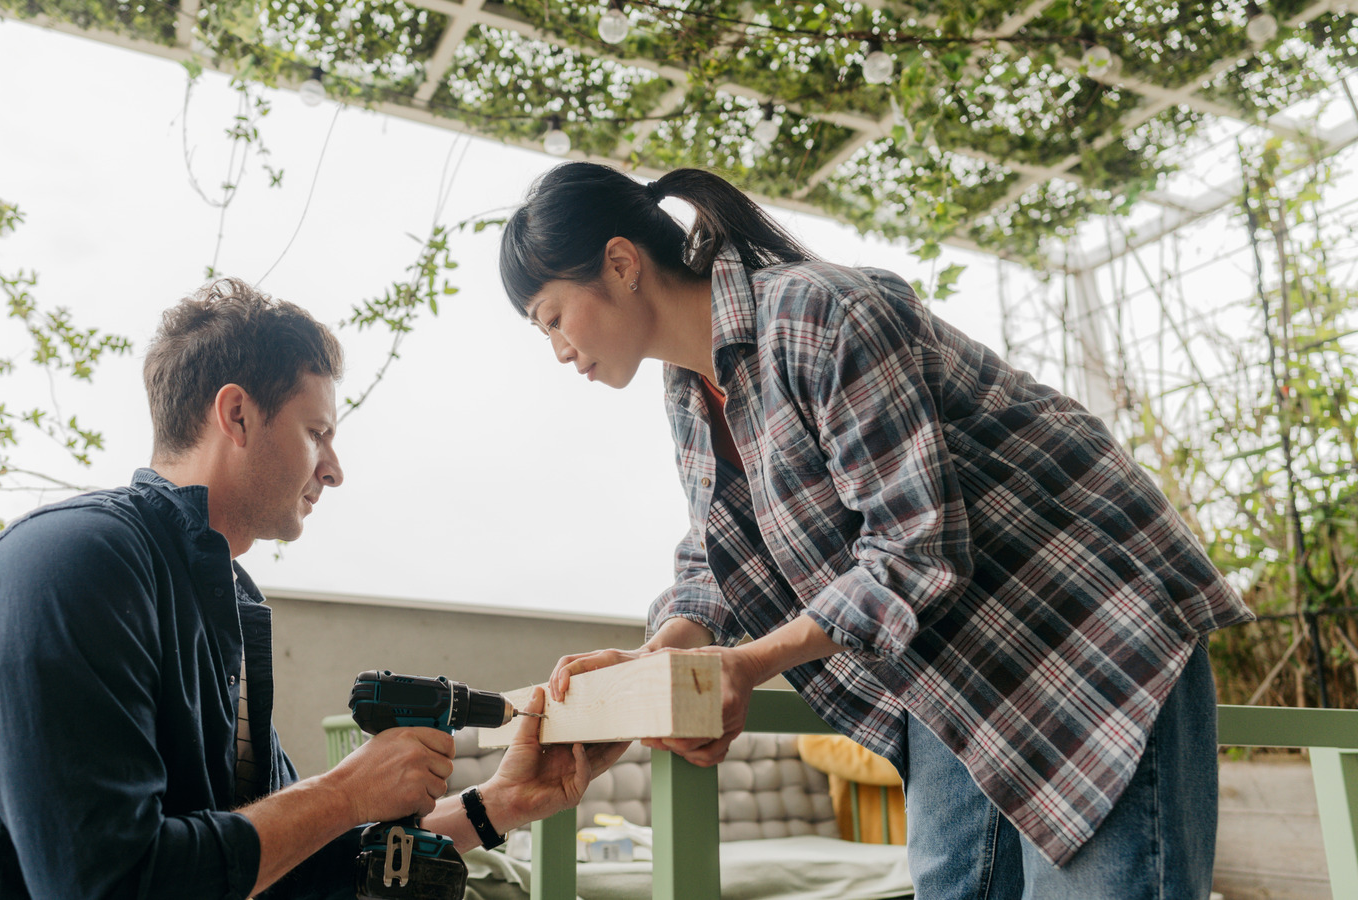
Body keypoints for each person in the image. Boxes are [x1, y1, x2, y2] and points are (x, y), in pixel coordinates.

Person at [499, 162, 1254, 899]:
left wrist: (749, 665)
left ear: (622, 263)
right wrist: (660, 655)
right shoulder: (688, 390)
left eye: (553, 317)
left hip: (1083, 628)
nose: (558, 349)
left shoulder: (822, 312)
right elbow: (716, 549)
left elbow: (914, 547)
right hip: (944, 664)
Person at [0, 278, 625, 900]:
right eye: (317, 432)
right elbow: (106, 883)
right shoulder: (66, 566)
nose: (334, 469)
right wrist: (345, 792)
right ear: (237, 415)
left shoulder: (229, 600)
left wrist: (500, 802)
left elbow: (281, 862)